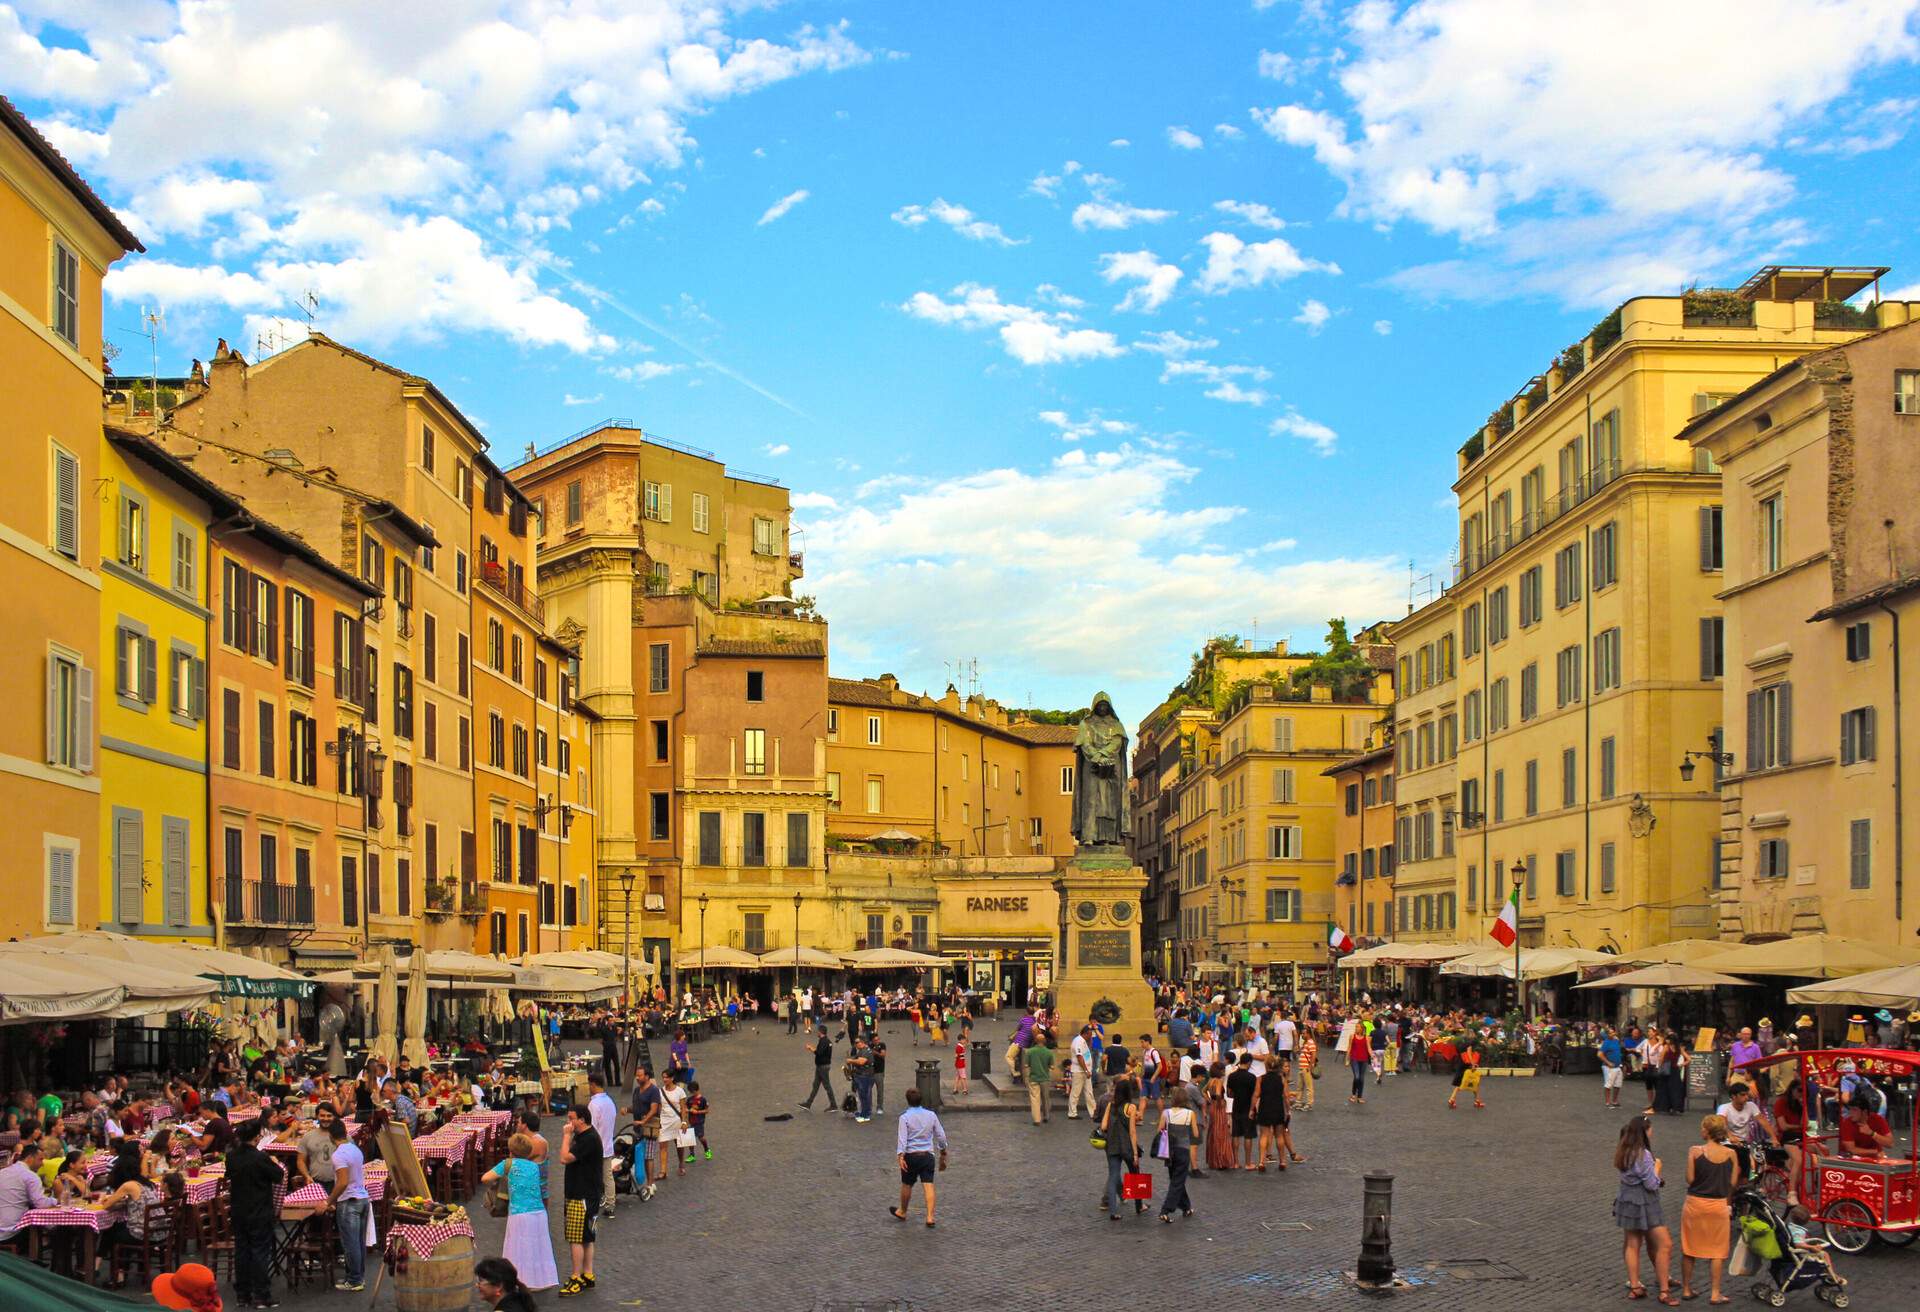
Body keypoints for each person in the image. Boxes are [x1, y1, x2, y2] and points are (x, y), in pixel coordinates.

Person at [1612, 1116, 1676, 1304]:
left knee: (1632, 1244)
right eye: (1650, 1129)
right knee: (1665, 1244)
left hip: (1627, 1200)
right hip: (1645, 1202)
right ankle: (1664, 1290)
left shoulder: (1623, 1151)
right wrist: (1657, 1167)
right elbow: (1650, 1184)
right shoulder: (1644, 1155)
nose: (1652, 1132)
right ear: (1644, 1131)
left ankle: (1635, 1285)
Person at [483, 1134, 558, 1293]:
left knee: (517, 1248)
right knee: (537, 1247)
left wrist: (500, 1182)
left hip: (519, 1213)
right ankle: (538, 1280)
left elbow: (485, 1178)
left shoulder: (507, 1164)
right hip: (538, 1212)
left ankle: (517, 1281)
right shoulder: (534, 1166)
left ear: (511, 1150)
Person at [226, 1117, 284, 1309]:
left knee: (241, 1251)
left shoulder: (232, 1156)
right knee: (259, 1252)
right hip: (259, 1210)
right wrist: (274, 1161)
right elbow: (278, 1176)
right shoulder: (260, 1158)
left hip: (238, 1210)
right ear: (257, 1136)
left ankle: (243, 1294)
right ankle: (261, 1295)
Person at [1680, 1114, 1737, 1304]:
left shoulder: (1695, 1151)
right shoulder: (1731, 1154)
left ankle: (1687, 1288)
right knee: (1717, 1251)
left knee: (1689, 1248)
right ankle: (1715, 1293)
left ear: (1707, 1131)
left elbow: (1689, 1179)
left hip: (1695, 1204)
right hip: (1718, 1205)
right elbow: (1733, 1182)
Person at [320, 1114, 370, 1292]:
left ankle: (355, 1280)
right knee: (358, 1242)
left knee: (350, 1244)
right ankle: (357, 1276)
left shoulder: (338, 1155)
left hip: (349, 1202)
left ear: (331, 1136)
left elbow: (342, 1182)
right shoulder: (355, 1149)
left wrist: (328, 1201)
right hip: (363, 1199)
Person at [557, 1105, 602, 1298]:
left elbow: (564, 1158)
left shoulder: (588, 1139)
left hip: (581, 1195)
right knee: (587, 1236)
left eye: (571, 1118)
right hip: (588, 1193)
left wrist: (566, 1137)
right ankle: (588, 1274)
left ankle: (577, 1277)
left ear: (582, 1119)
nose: (569, 1122)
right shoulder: (589, 1136)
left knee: (576, 1238)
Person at [889, 1087, 948, 1228]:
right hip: (927, 1155)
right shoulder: (931, 1115)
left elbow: (902, 1139)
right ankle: (930, 1217)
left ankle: (903, 1211)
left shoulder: (904, 1117)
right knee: (928, 1185)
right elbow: (941, 1135)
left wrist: (900, 1155)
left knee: (907, 1184)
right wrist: (943, 1151)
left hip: (911, 1156)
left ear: (907, 1101)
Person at [1099, 1074, 1143, 1221]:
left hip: (1112, 1144)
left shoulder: (1110, 1105)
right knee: (1135, 1175)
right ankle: (1139, 1206)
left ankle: (1113, 1211)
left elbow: (1104, 1126)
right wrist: (1135, 1153)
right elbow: (1132, 1131)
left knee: (1113, 1176)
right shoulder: (1131, 1107)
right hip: (1127, 1146)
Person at [0, 1139, 53, 1247]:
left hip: (3, 1227)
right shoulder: (31, 1176)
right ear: (29, 1159)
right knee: (51, 1228)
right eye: (40, 1159)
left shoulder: (3, 1172)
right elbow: (41, 1203)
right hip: (11, 1231)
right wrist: (57, 1200)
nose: (42, 1164)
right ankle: (34, 1260)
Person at [585, 1074, 617, 1219]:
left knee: (592, 1178)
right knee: (607, 1177)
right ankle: (610, 1205)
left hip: (596, 1147)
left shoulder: (594, 1104)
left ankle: (592, 1205)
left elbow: (590, 1128)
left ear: (593, 1084)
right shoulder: (610, 1101)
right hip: (608, 1145)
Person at [628, 1066, 661, 1201]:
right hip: (638, 1129)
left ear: (647, 1076)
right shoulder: (636, 1090)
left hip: (649, 1128)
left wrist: (643, 1121)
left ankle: (650, 1183)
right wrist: (627, 1110)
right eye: (637, 1075)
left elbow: (653, 1110)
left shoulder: (653, 1090)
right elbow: (635, 1107)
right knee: (639, 1154)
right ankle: (641, 1181)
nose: (637, 1077)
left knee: (648, 1156)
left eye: (640, 1075)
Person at [1225, 1053, 1259, 1170]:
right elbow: (1255, 1095)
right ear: (1249, 1063)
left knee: (1235, 1134)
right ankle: (1248, 1163)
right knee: (1248, 1135)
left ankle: (1235, 1162)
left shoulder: (1232, 1076)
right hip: (1248, 1108)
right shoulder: (1252, 1077)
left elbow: (1229, 1093)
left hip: (1236, 1107)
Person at [799, 1025, 837, 1112]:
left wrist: (810, 1048)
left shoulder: (824, 1041)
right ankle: (808, 1103)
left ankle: (833, 1105)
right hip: (822, 1066)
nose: (817, 1032)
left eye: (818, 1031)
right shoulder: (827, 1041)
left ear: (820, 1032)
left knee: (827, 1086)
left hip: (822, 1067)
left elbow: (819, 1053)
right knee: (815, 1085)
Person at [1024, 1032, 1055, 1125]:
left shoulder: (1029, 1052)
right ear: (1045, 1041)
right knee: (1045, 1098)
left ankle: (1037, 1119)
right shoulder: (1049, 1052)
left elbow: (1026, 1065)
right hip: (1045, 1078)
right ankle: (1046, 1115)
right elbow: (1052, 1067)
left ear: (1035, 1041)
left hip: (1033, 1078)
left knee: (1035, 1099)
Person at [1347, 1017, 1373, 1104]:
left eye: (1358, 1027)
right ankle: (1353, 1094)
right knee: (1357, 1077)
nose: (1356, 1028)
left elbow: (1369, 1048)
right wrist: (1347, 1059)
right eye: (1356, 1027)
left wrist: (1372, 1055)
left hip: (1364, 1059)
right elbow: (1349, 1048)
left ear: (1362, 1029)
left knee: (1361, 1079)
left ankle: (1360, 1096)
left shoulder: (1366, 1038)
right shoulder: (1352, 1036)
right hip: (1354, 1059)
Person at [1600, 1027, 1626, 1109]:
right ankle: (1608, 1102)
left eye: (1613, 1032)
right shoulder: (1606, 1042)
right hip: (1609, 1067)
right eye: (1610, 1033)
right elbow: (1600, 1054)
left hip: (1618, 1066)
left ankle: (1614, 1101)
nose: (1612, 1034)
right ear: (1607, 1034)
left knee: (1618, 1085)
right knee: (1609, 1084)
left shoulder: (1616, 1041)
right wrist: (1608, 1062)